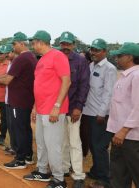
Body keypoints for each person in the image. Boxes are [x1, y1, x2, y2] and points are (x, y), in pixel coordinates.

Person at [0, 32, 37, 169]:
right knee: (24, 129)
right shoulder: (29, 57)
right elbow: (7, 76)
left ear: (22, 43)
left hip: (19, 100)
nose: (12, 48)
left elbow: (7, 79)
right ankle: (27, 156)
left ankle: (20, 159)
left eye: (14, 44)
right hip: (25, 99)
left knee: (19, 129)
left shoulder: (22, 58)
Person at [24, 30, 71, 188]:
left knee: (53, 145)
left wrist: (57, 106)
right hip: (41, 109)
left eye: (34, 42)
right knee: (42, 143)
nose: (32, 45)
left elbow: (66, 82)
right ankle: (42, 170)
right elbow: (40, 85)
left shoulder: (58, 56)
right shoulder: (42, 59)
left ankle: (59, 179)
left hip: (54, 109)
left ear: (40, 42)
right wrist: (35, 107)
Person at [82, 39, 117, 188]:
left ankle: (104, 179)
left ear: (105, 51)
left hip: (99, 114)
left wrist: (102, 113)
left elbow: (109, 93)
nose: (93, 52)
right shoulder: (90, 65)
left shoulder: (109, 68)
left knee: (99, 146)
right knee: (91, 143)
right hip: (88, 112)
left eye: (97, 50)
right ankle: (96, 171)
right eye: (92, 49)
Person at [58, 31, 90, 188]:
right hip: (58, 108)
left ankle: (78, 175)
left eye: (68, 44)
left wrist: (78, 107)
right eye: (63, 44)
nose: (65, 47)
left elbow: (84, 86)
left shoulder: (80, 61)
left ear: (73, 45)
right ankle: (64, 168)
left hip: (72, 108)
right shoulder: (56, 58)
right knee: (62, 141)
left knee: (74, 141)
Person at [106, 42, 139, 188]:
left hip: (131, 137)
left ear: (130, 57)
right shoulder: (126, 76)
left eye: (120, 56)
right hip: (119, 135)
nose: (117, 59)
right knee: (118, 173)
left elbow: (138, 107)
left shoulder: (137, 76)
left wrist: (124, 130)